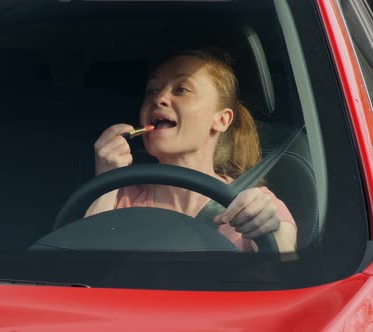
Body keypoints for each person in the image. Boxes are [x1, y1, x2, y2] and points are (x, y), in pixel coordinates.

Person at [85, 49, 297, 253]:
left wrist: (270, 229)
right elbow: (81, 269)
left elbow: (286, 268)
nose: (158, 99)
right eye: (152, 90)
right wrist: (105, 180)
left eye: (181, 89)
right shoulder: (118, 199)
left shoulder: (252, 205)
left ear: (222, 119)